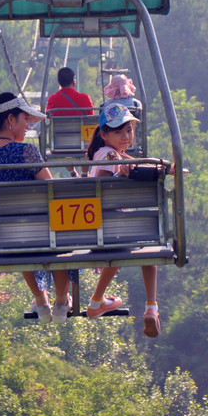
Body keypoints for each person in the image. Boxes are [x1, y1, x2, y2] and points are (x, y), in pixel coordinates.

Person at [0, 92, 72, 324]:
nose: (27, 127)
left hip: (5, 236)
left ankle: (41, 301)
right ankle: (61, 302)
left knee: (21, 240)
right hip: (41, 232)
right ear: (11, 120)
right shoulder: (26, 151)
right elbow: (51, 188)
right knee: (63, 234)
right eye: (25, 121)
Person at [84, 102, 162, 337]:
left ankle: (97, 302)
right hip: (113, 228)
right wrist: (120, 175)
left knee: (132, 244)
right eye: (118, 132)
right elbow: (107, 178)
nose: (125, 136)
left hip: (97, 228)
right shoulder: (109, 155)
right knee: (150, 247)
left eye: (128, 130)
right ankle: (151, 306)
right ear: (104, 134)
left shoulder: (107, 154)